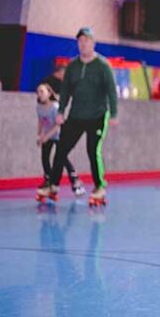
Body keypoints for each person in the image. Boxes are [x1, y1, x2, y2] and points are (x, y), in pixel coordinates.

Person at [37, 27, 118, 204]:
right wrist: (60, 112)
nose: (83, 44)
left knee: (92, 150)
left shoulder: (103, 66)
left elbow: (111, 91)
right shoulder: (72, 66)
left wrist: (114, 113)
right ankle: (53, 185)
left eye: (86, 41)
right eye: (80, 41)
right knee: (61, 149)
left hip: (97, 115)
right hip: (76, 115)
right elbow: (65, 91)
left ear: (93, 43)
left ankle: (99, 186)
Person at [35, 83, 85, 197]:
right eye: (38, 92)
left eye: (42, 91)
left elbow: (57, 126)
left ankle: (75, 180)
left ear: (49, 93)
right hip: (48, 134)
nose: (39, 94)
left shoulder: (55, 107)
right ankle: (48, 180)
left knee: (62, 159)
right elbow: (41, 121)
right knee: (45, 157)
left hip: (59, 134)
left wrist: (46, 137)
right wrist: (40, 136)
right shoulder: (38, 107)